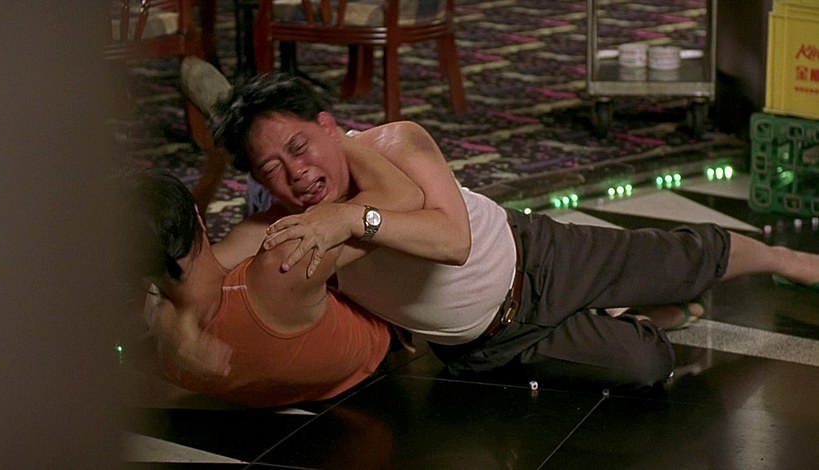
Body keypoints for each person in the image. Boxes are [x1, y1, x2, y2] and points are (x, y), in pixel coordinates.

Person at [208, 73, 819, 391]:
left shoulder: (395, 143)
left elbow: (453, 243)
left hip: (538, 255)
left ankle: (783, 259)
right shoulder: (292, 224)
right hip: (489, 346)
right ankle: (638, 316)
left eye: (299, 147)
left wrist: (351, 217)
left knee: (682, 258)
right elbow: (212, 266)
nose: (296, 173)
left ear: (327, 125)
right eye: (272, 169)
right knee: (645, 365)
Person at [130, 165, 424, 408]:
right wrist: (338, 138)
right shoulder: (284, 262)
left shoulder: (162, 353)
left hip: (282, 384)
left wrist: (169, 323)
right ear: (199, 218)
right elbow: (406, 195)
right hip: (381, 343)